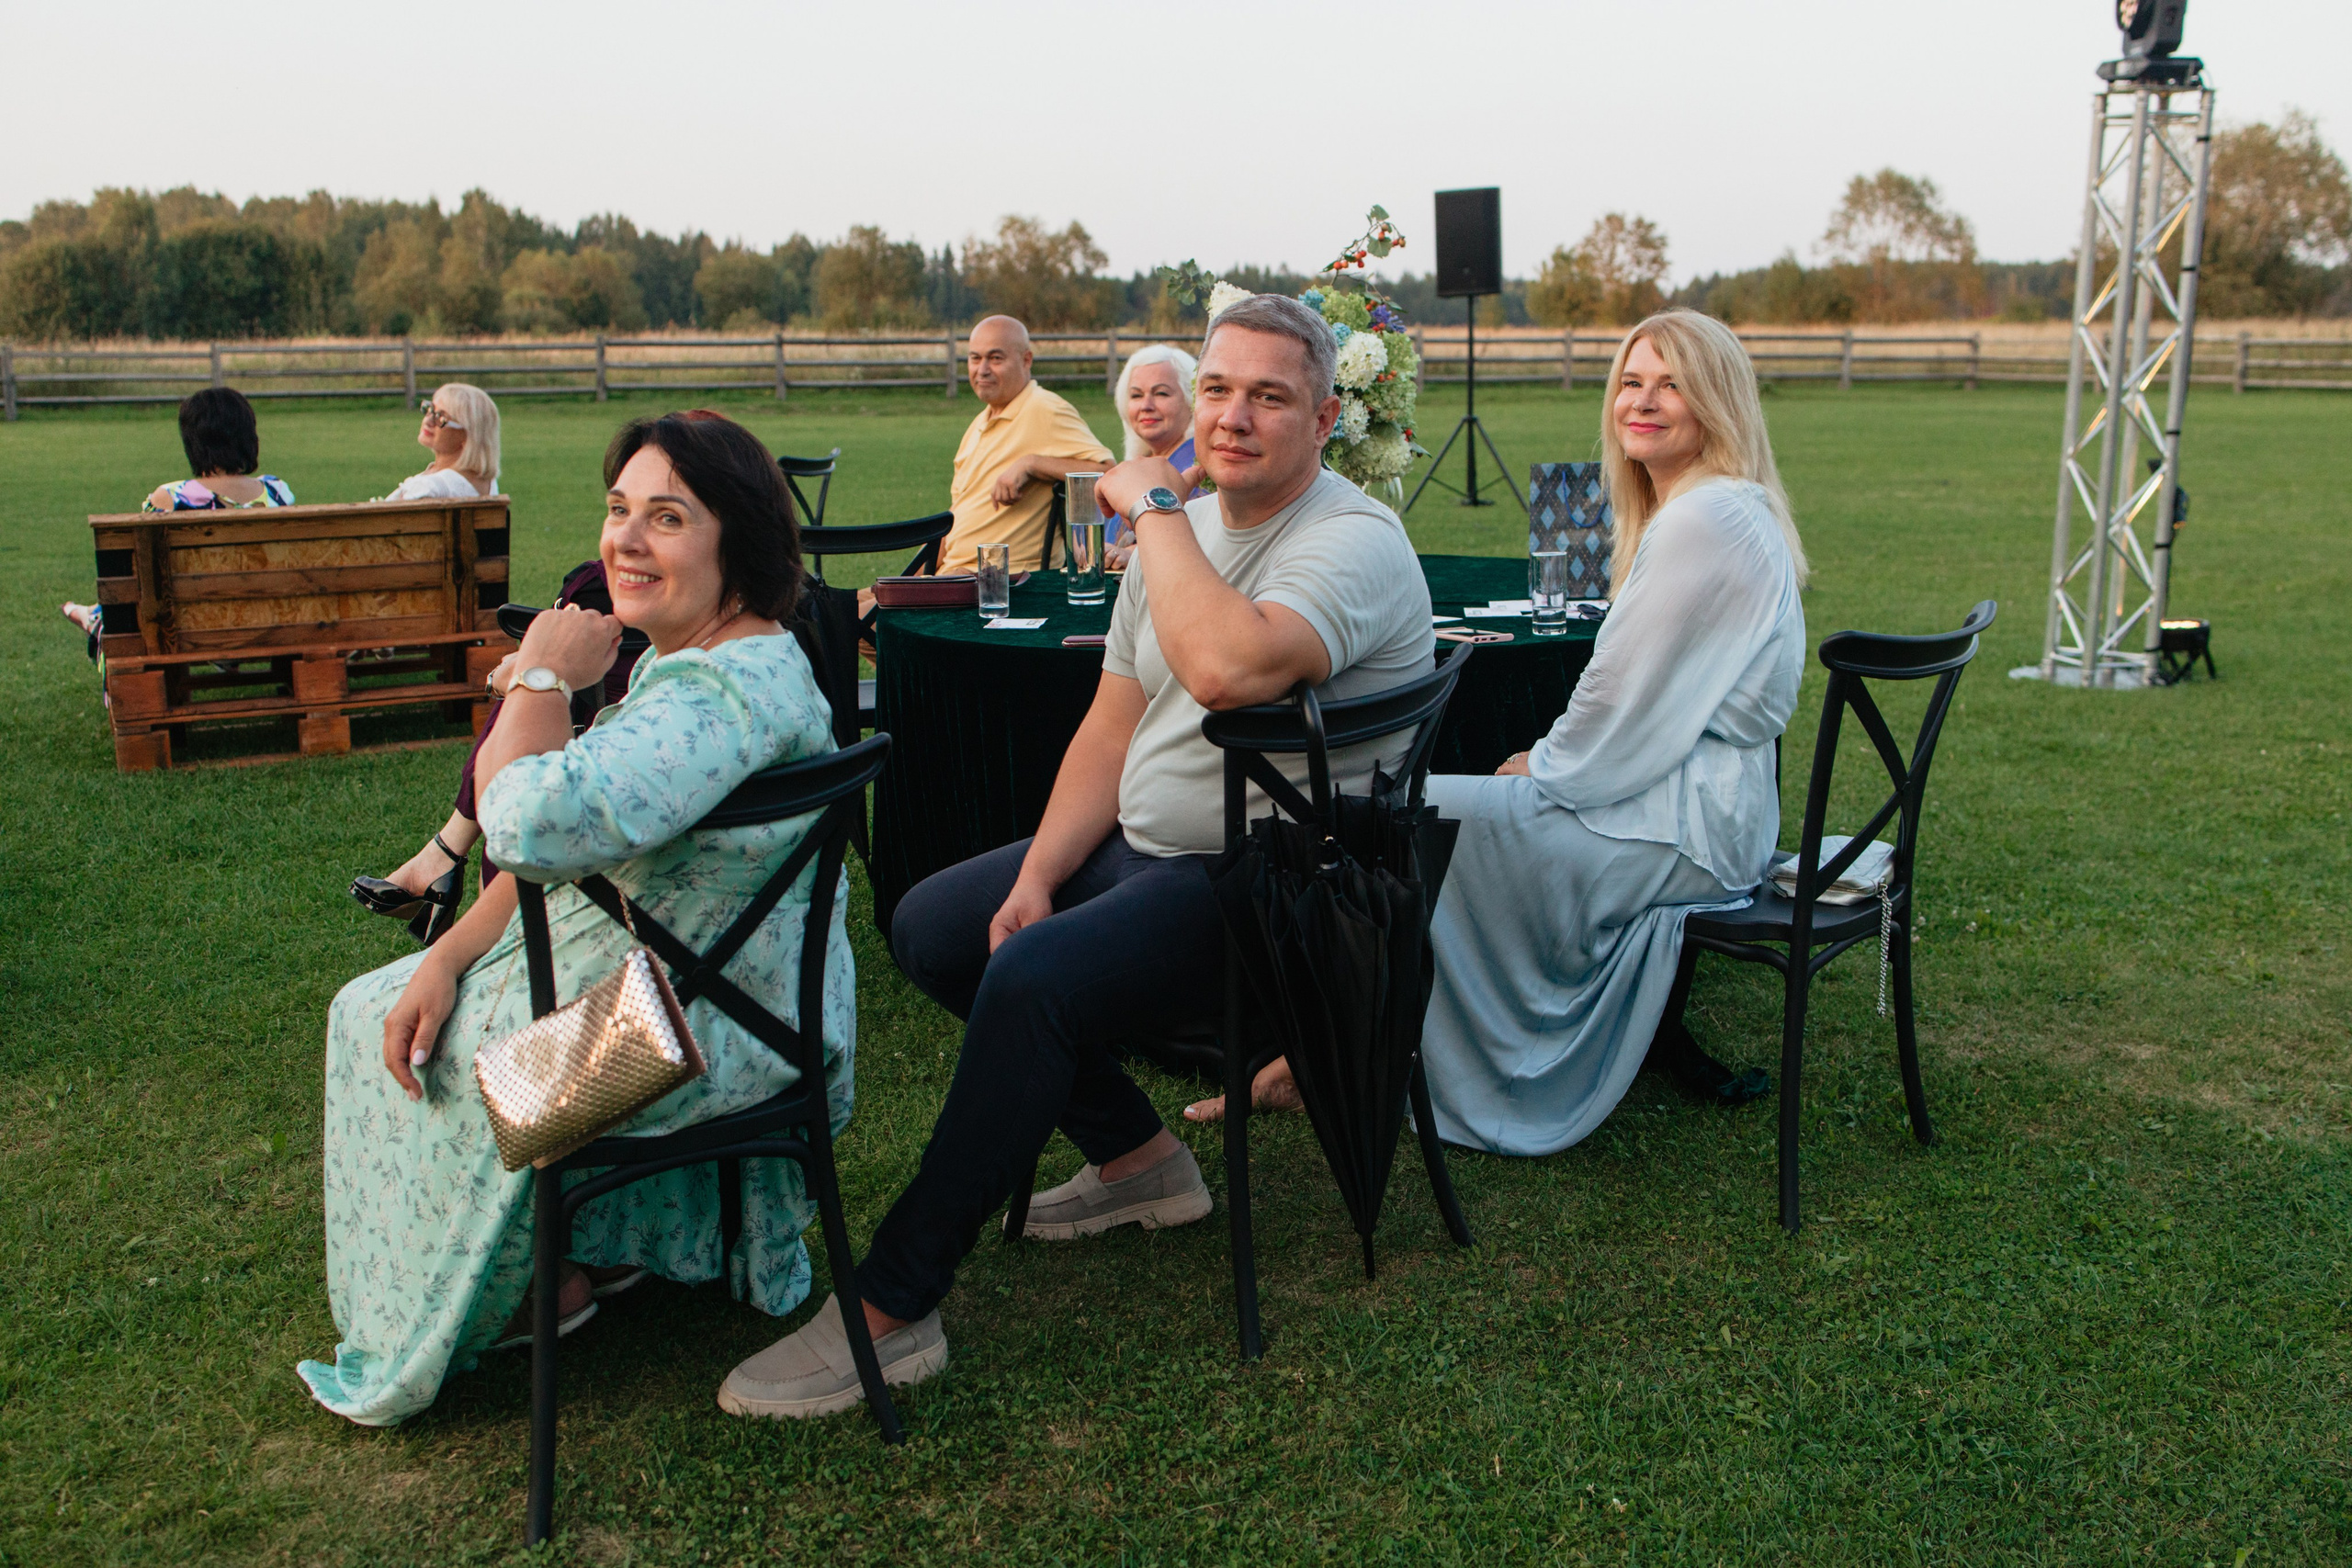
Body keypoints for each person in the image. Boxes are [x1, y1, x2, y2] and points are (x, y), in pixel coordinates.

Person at [714, 293, 1432, 1420]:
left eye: (1269, 396)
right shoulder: (1180, 535)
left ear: (1326, 416)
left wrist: (1154, 506)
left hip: (1286, 886)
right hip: (1158, 851)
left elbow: (1227, 669)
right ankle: (1139, 1159)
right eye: (1218, 389)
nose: (1233, 416)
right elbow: (1110, 728)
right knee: (940, 925)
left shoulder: (1352, 540)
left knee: (1035, 981)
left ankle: (893, 1306)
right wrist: (1038, 876)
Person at [298, 411, 854, 1427]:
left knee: (397, 1041)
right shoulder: (718, 664)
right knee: (394, 995)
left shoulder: (711, 701)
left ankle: (510, 1295)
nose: (625, 542)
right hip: (723, 1006)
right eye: (618, 510)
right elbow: (575, 848)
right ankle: (606, 1247)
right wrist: (454, 952)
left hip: (690, 1038)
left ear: (738, 544)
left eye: (668, 518)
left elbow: (526, 827)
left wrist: (545, 673)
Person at [1414, 309, 1809, 1156]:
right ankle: (1402, 1041)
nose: (1644, 400)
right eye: (1632, 381)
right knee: (1450, 809)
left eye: (1672, 384)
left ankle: (1432, 1058)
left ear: (1718, 402)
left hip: (1688, 825)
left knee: (1423, 813)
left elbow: (1617, 703)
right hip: (1704, 809)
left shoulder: (1707, 520)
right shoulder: (1719, 509)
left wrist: (1542, 765)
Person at [60, 386, 296, 684]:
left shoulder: (169, 498)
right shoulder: (277, 493)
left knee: (128, 599)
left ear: (193, 443)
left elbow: (138, 574)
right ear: (249, 436)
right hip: (270, 621)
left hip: (188, 627)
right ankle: (93, 615)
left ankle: (94, 617)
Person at [936, 315, 1114, 574]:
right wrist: (908, 581)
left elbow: (1107, 473)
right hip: (952, 573)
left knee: (863, 612)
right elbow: (956, 516)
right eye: (975, 358)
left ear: (1026, 360)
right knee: (865, 601)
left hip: (996, 580)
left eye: (995, 358)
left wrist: (1031, 464)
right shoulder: (978, 424)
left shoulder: (1044, 409)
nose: (982, 369)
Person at [1105, 344, 1202, 570]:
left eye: (1161, 393)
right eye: (1137, 395)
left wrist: (1132, 554)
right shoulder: (1135, 465)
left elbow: (1199, 540)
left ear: (1192, 401)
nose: (1146, 406)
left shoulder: (1199, 468)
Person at [378, 383, 501, 500]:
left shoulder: (431, 488)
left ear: (468, 437)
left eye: (441, 418)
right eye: (429, 409)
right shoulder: (488, 483)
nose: (428, 421)